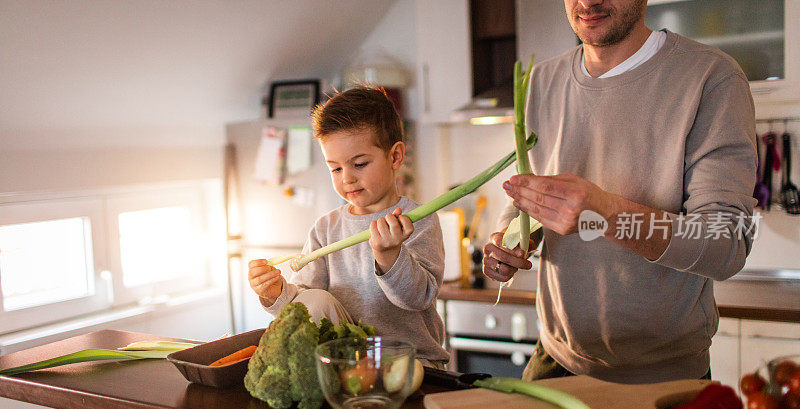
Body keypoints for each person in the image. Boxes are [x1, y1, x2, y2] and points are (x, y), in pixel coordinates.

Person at [483, 0, 757, 384]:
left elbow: (725, 243)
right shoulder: (539, 82)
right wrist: (510, 239)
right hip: (554, 357)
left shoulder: (712, 78)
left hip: (663, 377)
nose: (588, 1)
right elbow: (525, 197)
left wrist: (606, 214)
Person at [248, 86, 450, 366]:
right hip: (347, 365)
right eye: (336, 168)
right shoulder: (325, 228)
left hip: (412, 363)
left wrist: (391, 257)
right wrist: (275, 294)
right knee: (315, 300)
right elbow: (306, 306)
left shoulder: (418, 219)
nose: (347, 179)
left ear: (395, 157)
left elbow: (419, 297)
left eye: (359, 164)